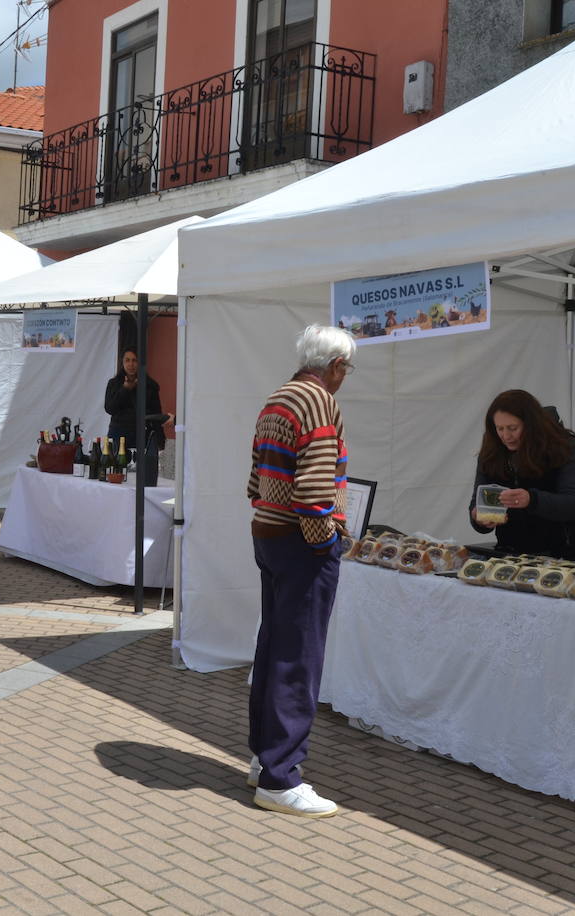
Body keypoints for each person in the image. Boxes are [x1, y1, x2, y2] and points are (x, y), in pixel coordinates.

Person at [245, 324, 353, 818]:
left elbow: (255, 477)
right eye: (345, 368)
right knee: (298, 659)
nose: (345, 377)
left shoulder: (277, 398)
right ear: (334, 366)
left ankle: (265, 758)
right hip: (298, 542)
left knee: (273, 648)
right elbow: (314, 489)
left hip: (269, 534)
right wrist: (326, 541)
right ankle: (281, 776)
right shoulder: (317, 402)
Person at [469, 389, 575, 560]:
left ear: (531, 424)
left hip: (565, 553)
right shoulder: (492, 445)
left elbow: (574, 504)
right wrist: (479, 518)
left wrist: (532, 500)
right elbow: (478, 499)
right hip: (511, 552)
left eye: (513, 428)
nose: (506, 436)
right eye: (500, 428)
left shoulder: (564, 445)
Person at [103, 346, 162, 450]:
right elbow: (109, 408)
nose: (131, 364)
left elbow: (157, 414)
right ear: (123, 362)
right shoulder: (114, 383)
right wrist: (125, 389)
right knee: (117, 464)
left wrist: (160, 439)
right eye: (127, 360)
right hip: (118, 433)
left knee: (141, 465)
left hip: (142, 434)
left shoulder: (150, 385)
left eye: (134, 360)